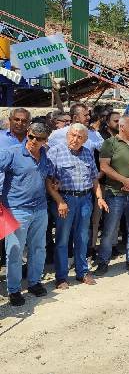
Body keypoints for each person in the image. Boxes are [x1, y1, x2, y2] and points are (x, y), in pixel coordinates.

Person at [47, 124, 108, 289]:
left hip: (85, 200)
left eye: (80, 137)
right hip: (65, 200)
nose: (75, 139)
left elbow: (94, 179)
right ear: (67, 135)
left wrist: (99, 197)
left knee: (82, 238)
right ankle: (61, 277)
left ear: (85, 139)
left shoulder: (88, 153)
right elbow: (49, 181)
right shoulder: (56, 151)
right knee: (62, 239)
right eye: (73, 135)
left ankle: (82, 272)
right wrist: (59, 201)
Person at [0, 122, 54, 306]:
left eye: (38, 139)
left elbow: (48, 174)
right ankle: (14, 290)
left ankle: (34, 282)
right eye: (31, 136)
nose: (32, 141)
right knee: (14, 252)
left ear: (45, 141)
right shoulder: (12, 153)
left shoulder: (45, 154)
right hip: (16, 210)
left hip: (39, 209)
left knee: (38, 248)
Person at [95, 114, 129, 276]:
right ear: (122, 126)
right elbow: (104, 167)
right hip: (114, 194)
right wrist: (125, 180)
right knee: (109, 230)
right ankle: (103, 261)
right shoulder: (110, 143)